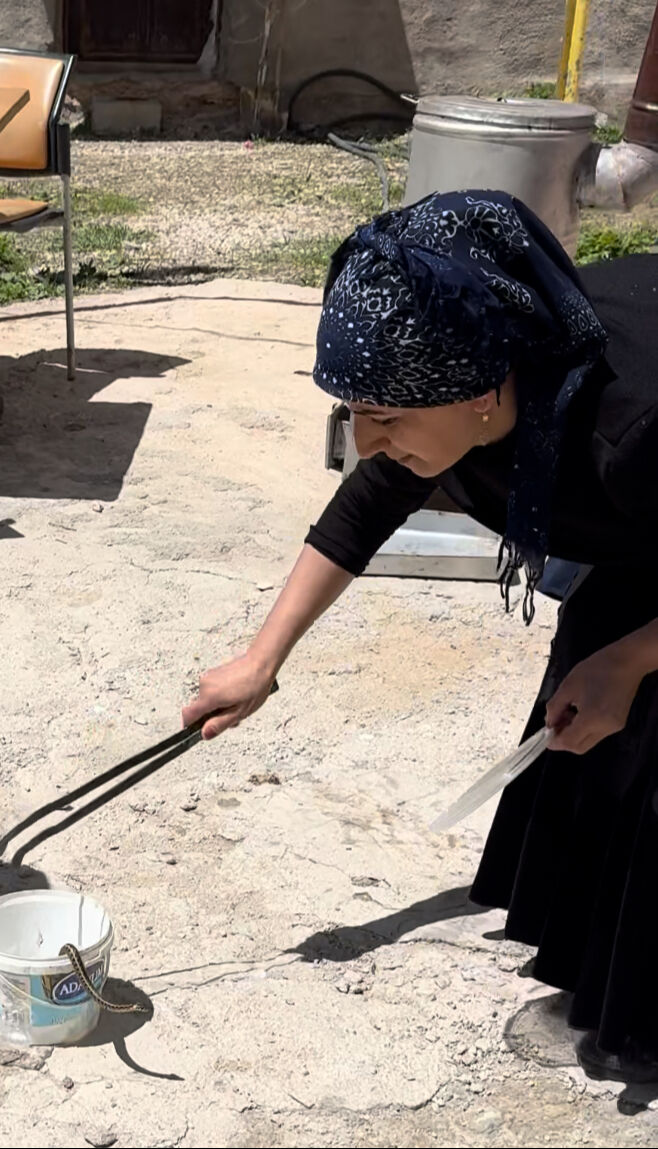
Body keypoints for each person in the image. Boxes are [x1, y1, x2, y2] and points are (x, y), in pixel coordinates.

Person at [183, 190, 658, 1083]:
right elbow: (364, 507)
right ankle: (602, 976)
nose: (367, 442)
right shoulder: (470, 369)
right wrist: (262, 660)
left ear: (482, 395)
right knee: (592, 719)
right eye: (353, 410)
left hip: (649, 489)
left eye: (386, 418)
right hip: (642, 538)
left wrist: (634, 658)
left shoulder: (627, 429)